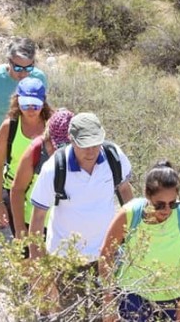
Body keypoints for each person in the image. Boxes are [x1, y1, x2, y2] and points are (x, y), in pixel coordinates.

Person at [27, 112, 134, 315]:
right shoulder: (55, 169)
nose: (91, 150)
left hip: (105, 256)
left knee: (102, 313)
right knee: (69, 314)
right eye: (85, 144)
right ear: (72, 140)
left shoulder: (113, 157)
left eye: (96, 143)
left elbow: (126, 191)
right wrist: (39, 265)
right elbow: (38, 216)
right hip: (65, 258)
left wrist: (134, 235)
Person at [0, 37, 48, 256]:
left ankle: (24, 244)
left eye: (28, 67)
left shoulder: (39, 79)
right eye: (17, 67)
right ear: (8, 61)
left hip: (23, 150)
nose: (23, 72)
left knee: (25, 202)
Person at [99, 161, 180, 322]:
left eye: (173, 203)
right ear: (147, 195)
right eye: (160, 205)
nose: (167, 210)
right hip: (133, 293)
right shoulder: (130, 213)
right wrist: (108, 301)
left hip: (172, 295)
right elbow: (106, 254)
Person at [0, 76, 52, 239]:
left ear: (43, 102)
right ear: (17, 101)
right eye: (25, 103)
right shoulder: (9, 128)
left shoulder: (52, 126)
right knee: (23, 242)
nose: (30, 109)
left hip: (44, 193)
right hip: (14, 192)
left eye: (36, 104)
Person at [9, 108, 74, 244]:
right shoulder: (36, 150)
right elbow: (17, 189)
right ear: (49, 135)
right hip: (33, 224)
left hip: (64, 229)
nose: (60, 152)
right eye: (57, 145)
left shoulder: (79, 153)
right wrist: (20, 228)